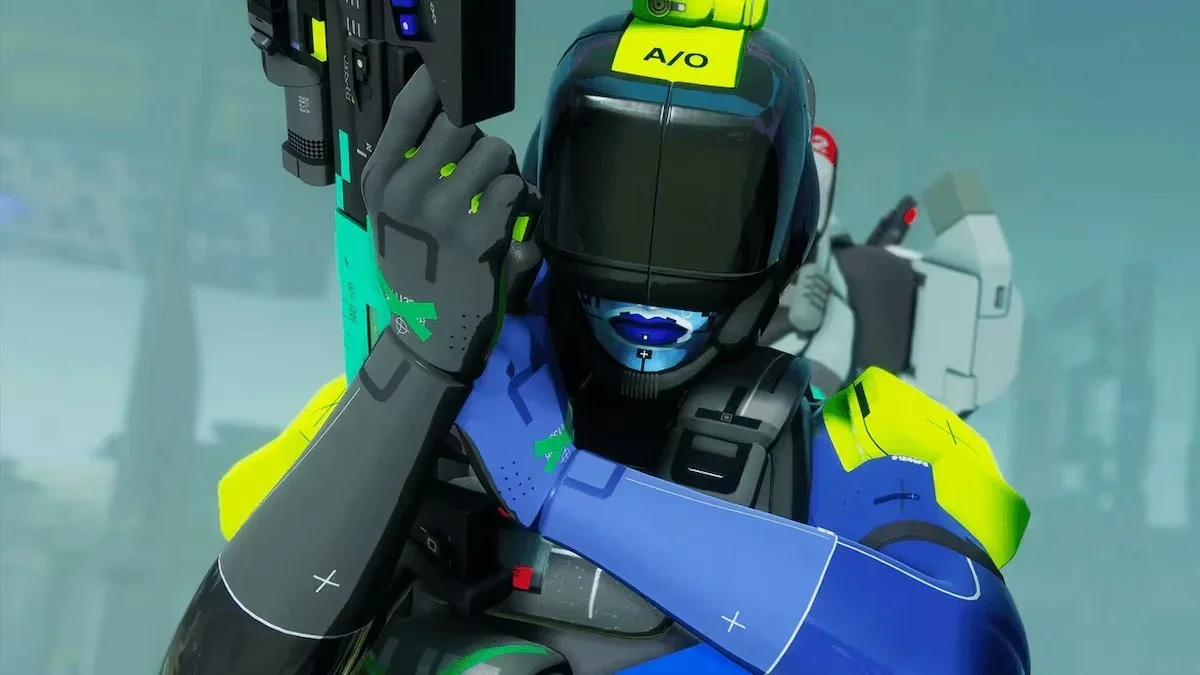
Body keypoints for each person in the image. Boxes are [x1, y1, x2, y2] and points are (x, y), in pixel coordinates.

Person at [160, 10, 1032, 675]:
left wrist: (565, 487)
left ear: (788, 232)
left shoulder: (870, 439)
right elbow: (219, 659)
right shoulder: (400, 411)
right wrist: (421, 365)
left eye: (704, 215)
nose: (649, 270)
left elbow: (961, 646)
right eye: (610, 195)